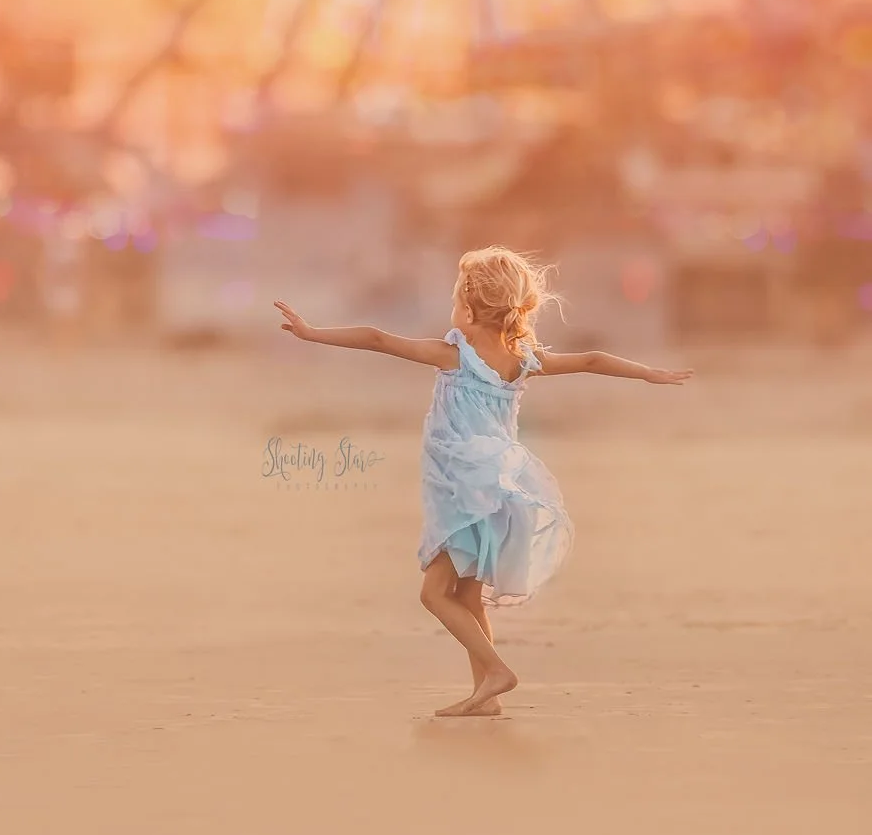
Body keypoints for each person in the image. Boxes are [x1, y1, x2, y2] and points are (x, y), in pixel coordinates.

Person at [275, 244, 693, 718]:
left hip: (464, 486)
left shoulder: (455, 355)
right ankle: (485, 698)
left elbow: (376, 338)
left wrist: (312, 334)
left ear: (470, 309)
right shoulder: (523, 359)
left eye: (456, 302)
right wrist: (649, 375)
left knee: (434, 594)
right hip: (498, 481)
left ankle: (497, 672)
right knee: (469, 595)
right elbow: (593, 359)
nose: (452, 310)